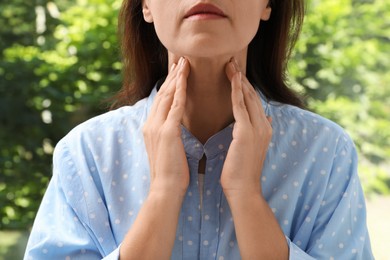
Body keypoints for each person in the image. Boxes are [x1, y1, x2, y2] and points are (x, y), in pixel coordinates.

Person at [24, 0, 374, 259]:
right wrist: (163, 193)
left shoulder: (325, 151)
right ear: (146, 6)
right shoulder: (86, 153)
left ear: (267, 4)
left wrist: (246, 195)